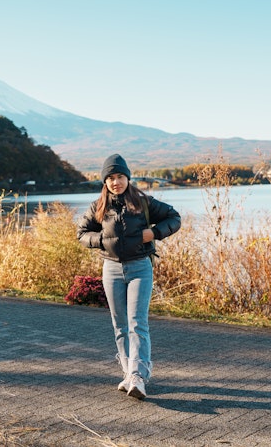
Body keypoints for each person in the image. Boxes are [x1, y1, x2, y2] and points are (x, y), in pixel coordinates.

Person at [77, 153, 181, 399]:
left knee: (137, 322)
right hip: (111, 269)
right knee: (120, 325)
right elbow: (81, 233)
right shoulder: (98, 207)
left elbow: (174, 218)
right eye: (111, 178)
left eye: (120, 176)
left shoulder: (143, 202)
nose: (116, 182)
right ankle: (128, 373)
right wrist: (101, 239)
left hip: (139, 268)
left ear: (128, 178)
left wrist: (154, 233)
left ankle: (138, 375)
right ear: (105, 181)